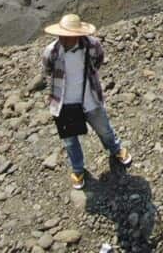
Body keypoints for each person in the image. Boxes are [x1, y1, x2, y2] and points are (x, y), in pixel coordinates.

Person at [41, 14, 133, 189]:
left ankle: (116, 150)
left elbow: (98, 60)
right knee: (69, 140)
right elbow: (47, 69)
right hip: (64, 103)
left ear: (77, 35)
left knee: (104, 129)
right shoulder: (52, 51)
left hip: (89, 98)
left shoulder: (92, 45)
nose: (62, 39)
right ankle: (78, 169)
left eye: (67, 36)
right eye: (61, 35)